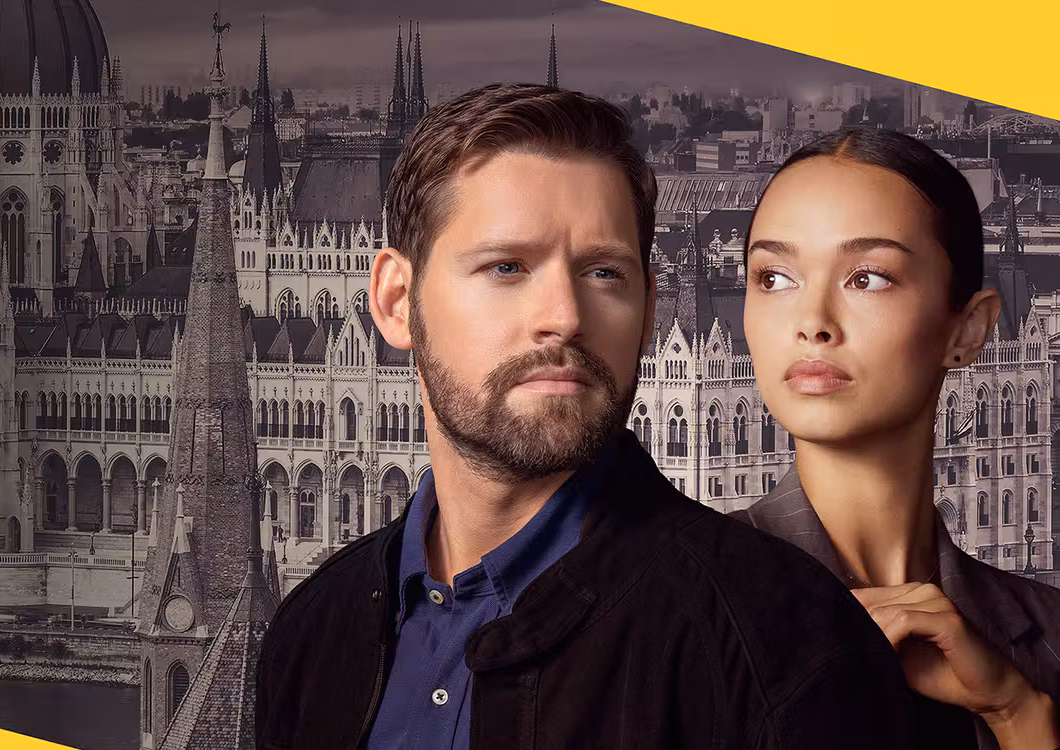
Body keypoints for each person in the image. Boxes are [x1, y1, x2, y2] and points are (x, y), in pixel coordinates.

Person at [255, 84, 921, 749]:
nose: (565, 316)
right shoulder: (312, 635)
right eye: (507, 267)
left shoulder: (785, 647)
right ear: (397, 302)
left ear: (649, 310)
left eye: (603, 273)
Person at [733, 126, 1060, 750]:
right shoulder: (667, 609)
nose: (812, 323)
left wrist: (1020, 715)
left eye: (868, 278)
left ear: (968, 331)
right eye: (773, 278)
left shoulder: (1048, 634)